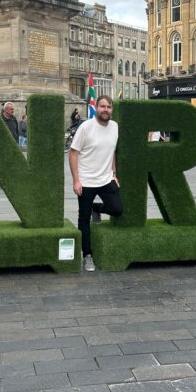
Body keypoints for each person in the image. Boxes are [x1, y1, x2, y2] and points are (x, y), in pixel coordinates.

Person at [69, 95, 122, 272]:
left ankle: (96, 208)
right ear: (96, 108)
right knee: (83, 219)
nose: (105, 110)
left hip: (106, 179)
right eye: (102, 106)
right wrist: (76, 180)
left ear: (111, 109)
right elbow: (73, 153)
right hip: (86, 181)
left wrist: (114, 173)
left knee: (117, 209)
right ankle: (87, 256)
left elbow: (111, 150)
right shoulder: (86, 127)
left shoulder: (114, 126)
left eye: (108, 107)